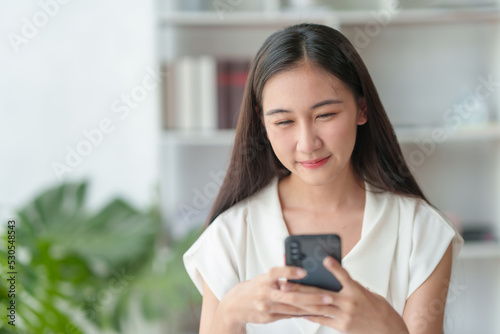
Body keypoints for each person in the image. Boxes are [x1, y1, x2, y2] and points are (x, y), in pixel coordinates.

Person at [183, 23, 463, 334]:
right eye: (284, 121)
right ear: (262, 124)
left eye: (325, 115)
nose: (307, 143)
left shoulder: (421, 230)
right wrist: (229, 314)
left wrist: (385, 327)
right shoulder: (231, 234)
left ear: (362, 108)